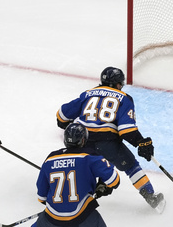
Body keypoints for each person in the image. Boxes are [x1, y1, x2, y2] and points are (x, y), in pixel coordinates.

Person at [5, 123, 143, 227]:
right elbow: (114, 180)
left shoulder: (50, 159)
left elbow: (41, 197)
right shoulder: (91, 155)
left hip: (53, 219)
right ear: (84, 140)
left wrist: (58, 203)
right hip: (85, 218)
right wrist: (101, 186)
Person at [56, 66, 165, 213]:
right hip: (107, 143)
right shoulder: (124, 98)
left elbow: (61, 116)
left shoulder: (88, 94)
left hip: (82, 142)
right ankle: (151, 197)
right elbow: (126, 130)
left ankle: (68, 189)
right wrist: (141, 142)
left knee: (80, 163)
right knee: (131, 167)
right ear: (118, 84)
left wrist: (68, 125)